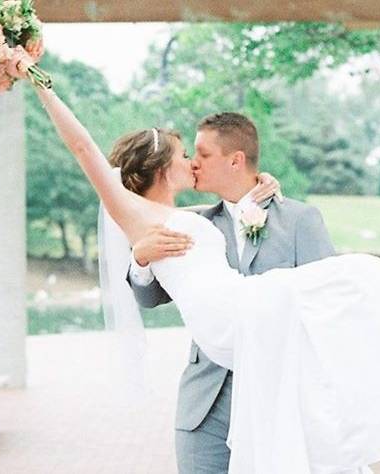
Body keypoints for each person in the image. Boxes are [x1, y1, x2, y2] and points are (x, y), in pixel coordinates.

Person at [6, 50, 380, 474]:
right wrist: (35, 77)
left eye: (199, 154)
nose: (192, 162)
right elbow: (84, 148)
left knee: (364, 283)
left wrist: (258, 194)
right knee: (361, 279)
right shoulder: (134, 215)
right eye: (183, 155)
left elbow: (227, 217)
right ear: (158, 169)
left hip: (247, 317)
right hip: (233, 322)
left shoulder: (190, 215)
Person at [125, 112, 337, 474]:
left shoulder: (300, 220)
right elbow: (149, 298)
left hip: (276, 400)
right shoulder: (196, 224)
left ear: (235, 160)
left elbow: (327, 309)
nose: (192, 163)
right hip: (206, 406)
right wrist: (140, 261)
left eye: (202, 154)